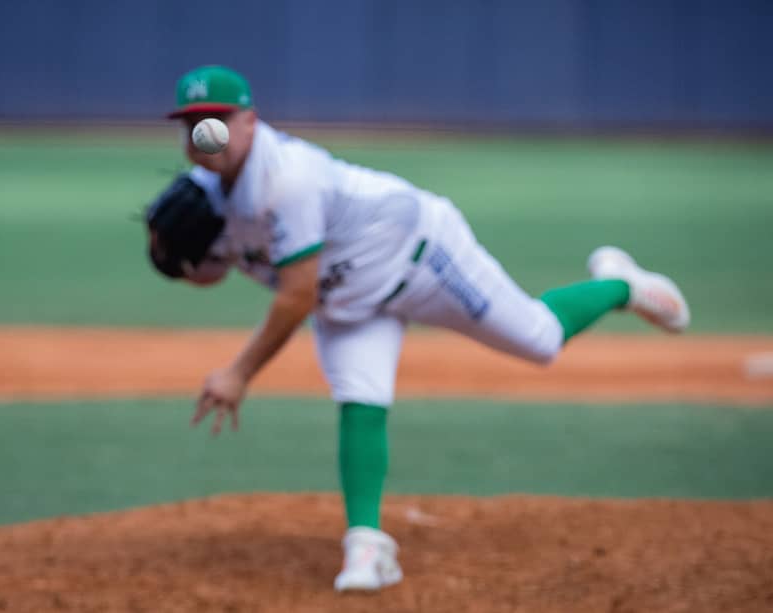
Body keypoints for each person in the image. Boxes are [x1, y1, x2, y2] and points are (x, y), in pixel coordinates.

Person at [163, 65, 690, 592]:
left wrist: (239, 373)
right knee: (360, 398)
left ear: (250, 121)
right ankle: (367, 545)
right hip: (351, 301)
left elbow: (296, 295)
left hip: (421, 257)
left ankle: (621, 285)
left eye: (217, 119)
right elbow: (213, 266)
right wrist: (172, 257)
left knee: (540, 339)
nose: (205, 133)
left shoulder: (288, 179)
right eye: (193, 123)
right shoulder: (204, 189)